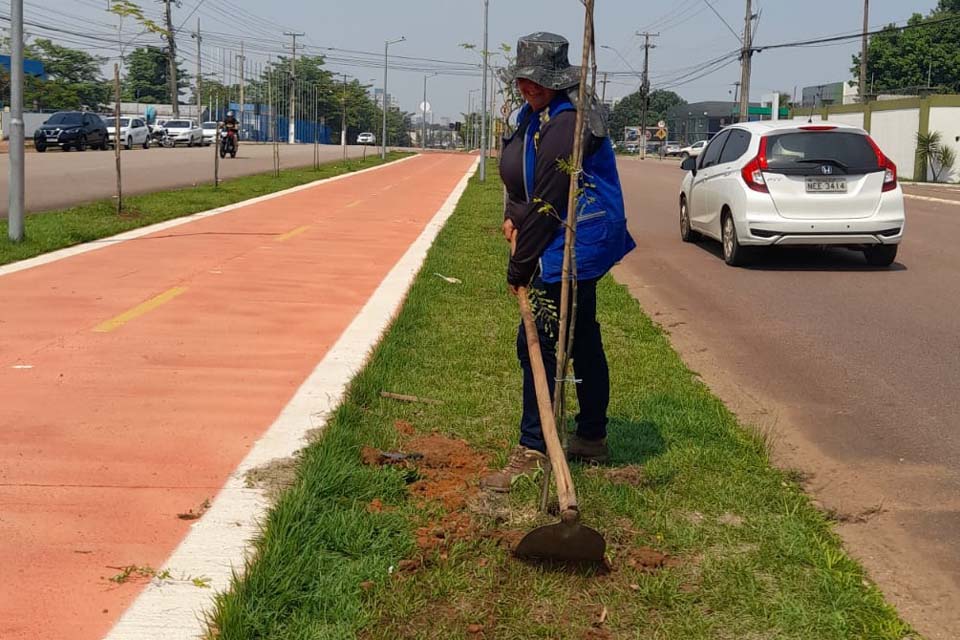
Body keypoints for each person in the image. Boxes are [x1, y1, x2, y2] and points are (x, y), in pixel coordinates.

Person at [481, 32, 636, 493]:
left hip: (574, 240)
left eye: (539, 82)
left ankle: (533, 448)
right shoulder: (531, 115)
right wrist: (511, 215)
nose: (530, 88)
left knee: (541, 343)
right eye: (525, 80)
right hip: (551, 236)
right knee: (580, 333)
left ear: (558, 81)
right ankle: (590, 436)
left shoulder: (568, 124)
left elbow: (548, 204)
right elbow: (518, 176)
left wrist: (519, 269)